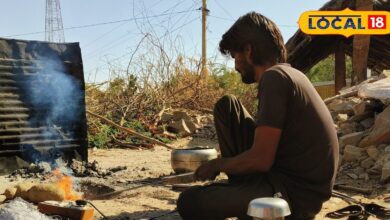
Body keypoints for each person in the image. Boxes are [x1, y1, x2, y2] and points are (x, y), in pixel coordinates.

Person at [176, 11, 339, 220]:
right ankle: (244, 189)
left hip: (292, 198)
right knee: (228, 106)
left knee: (191, 201)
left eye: (235, 57)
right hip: (284, 181)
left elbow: (261, 159)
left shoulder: (274, 78)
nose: (235, 66)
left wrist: (218, 164)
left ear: (248, 50)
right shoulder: (288, 74)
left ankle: (248, 197)